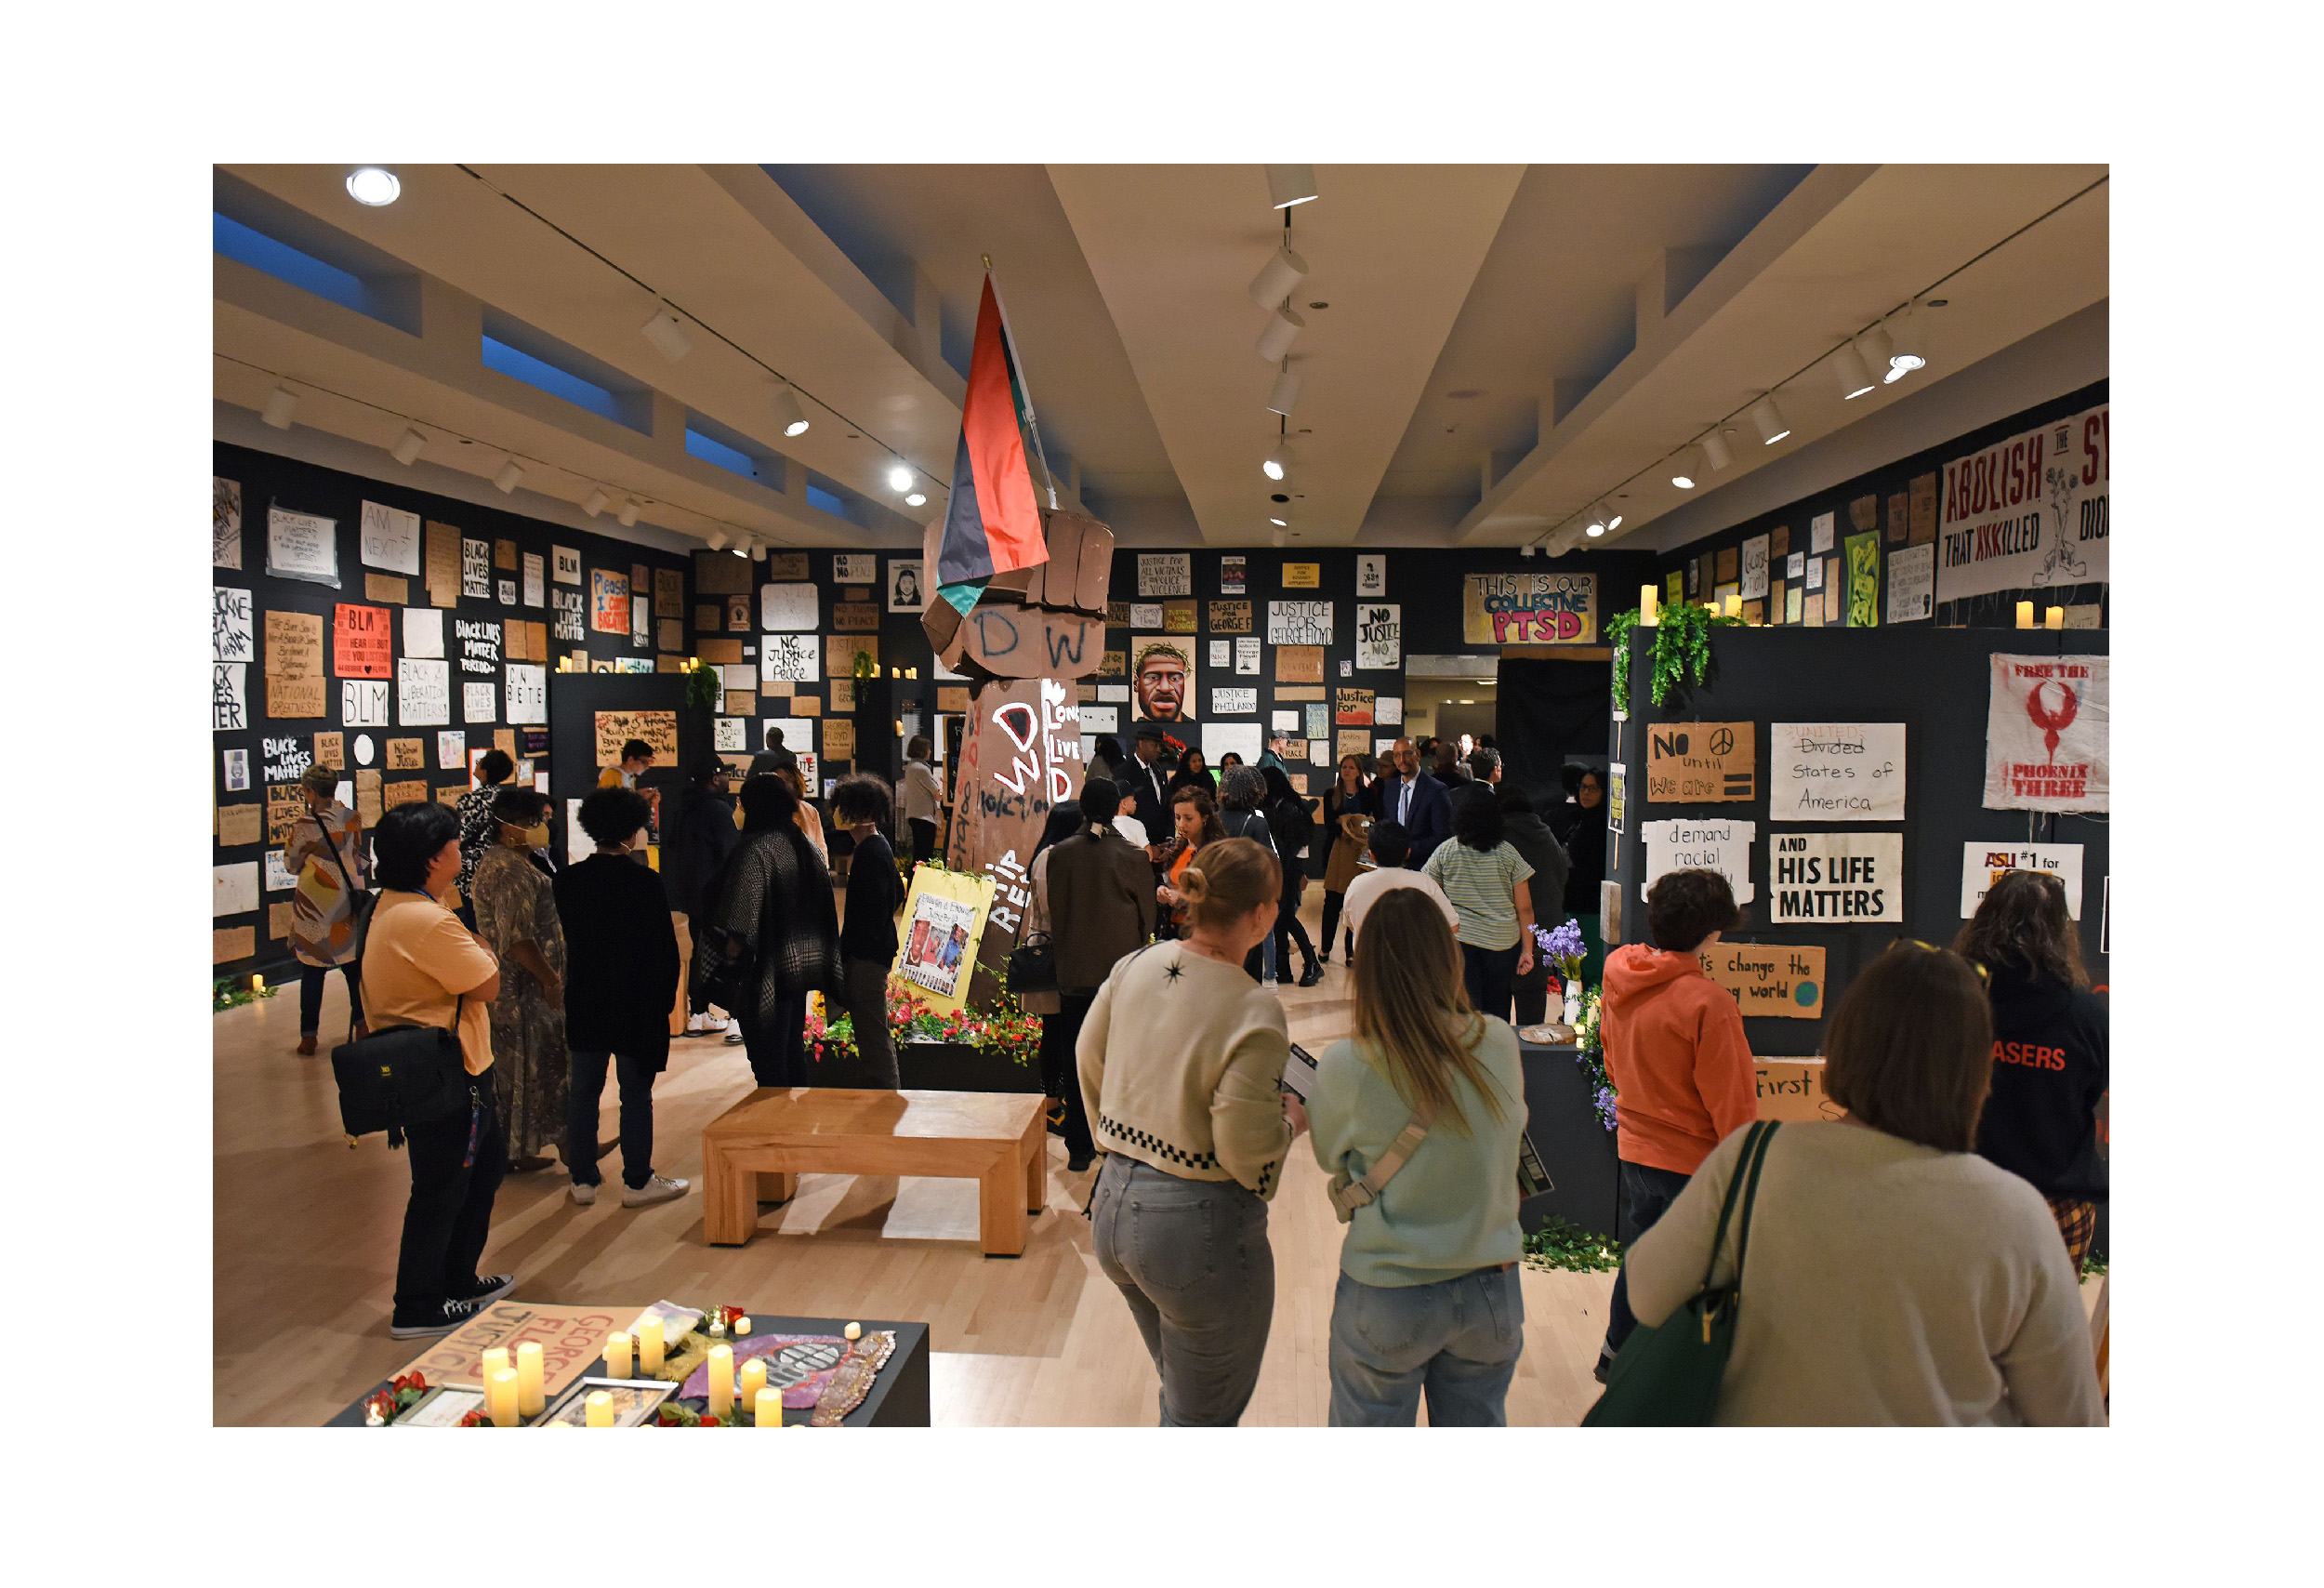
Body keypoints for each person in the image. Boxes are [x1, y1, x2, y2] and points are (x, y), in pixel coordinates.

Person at [1620, 943, 2105, 1424]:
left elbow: (1646, 1292)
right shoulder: (2017, 1214)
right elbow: (2072, 1418)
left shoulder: (1754, 1159)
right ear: (1978, 1071)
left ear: (1846, 1041)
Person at [1080, 837, 1300, 1424]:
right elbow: (1243, 1149)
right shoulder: (1253, 1007)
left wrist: (1115, 1137)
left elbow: (1087, 1053)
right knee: (1200, 1418)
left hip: (1111, 1211)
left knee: (1184, 1396)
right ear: (1259, 916)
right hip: (1194, 1231)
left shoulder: (1135, 964)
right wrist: (1290, 1124)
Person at [1309, 888, 1525, 1425]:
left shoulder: (1347, 1063)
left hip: (1388, 1288)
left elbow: (1327, 1153)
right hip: (1490, 1288)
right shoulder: (1497, 1040)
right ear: (1448, 956)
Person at [1592, 867, 1756, 1380]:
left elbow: (1612, 1059)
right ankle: (1669, 1377)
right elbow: (1732, 1102)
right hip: (1695, 1161)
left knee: (1641, 1254)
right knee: (1693, 1274)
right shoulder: (1710, 1003)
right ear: (1712, 932)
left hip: (1635, 1146)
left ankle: (1616, 1355)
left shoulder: (1620, 974)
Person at [363, 801, 510, 1337]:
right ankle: (419, 1304)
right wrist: (481, 948)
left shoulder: (403, 905)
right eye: (452, 842)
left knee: (481, 1170)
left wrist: (477, 950)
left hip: (453, 1065)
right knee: (442, 1187)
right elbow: (489, 982)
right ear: (431, 858)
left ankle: (456, 1280)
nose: (459, 849)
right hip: (449, 1071)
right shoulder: (425, 919)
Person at [1956, 870, 2109, 1269]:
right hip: (2057, 1202)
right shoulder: (2088, 1015)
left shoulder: (1953, 1003)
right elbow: (2094, 1092)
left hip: (1968, 1194)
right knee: (2051, 1330)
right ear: (2061, 932)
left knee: (1967, 1325)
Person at [554, 787, 687, 1209]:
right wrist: (665, 1002)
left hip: (586, 996)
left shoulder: (569, 881)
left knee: (583, 1092)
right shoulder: (645, 882)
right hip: (636, 1002)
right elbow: (664, 949)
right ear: (634, 829)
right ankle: (637, 1180)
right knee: (635, 1093)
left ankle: (583, 1179)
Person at [1024, 775, 1155, 1170]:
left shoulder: (1059, 854)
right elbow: (1148, 918)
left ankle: (1079, 1147)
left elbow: (1053, 915)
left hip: (1073, 973)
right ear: (1118, 807)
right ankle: (1117, 1139)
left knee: (1075, 1056)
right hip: (1119, 976)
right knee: (1118, 1058)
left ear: (1082, 809)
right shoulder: (1133, 856)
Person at [695, 774, 841, 1088]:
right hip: (799, 967)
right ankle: (795, 1124)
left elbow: (739, 922)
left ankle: (775, 1129)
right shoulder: (807, 846)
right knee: (791, 1053)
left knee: (768, 1060)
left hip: (763, 973)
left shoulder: (756, 850)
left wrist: (727, 957)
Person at [470, 787, 568, 1171]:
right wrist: (550, 978)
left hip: (521, 989)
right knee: (528, 1069)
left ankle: (522, 1148)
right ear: (507, 828)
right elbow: (518, 939)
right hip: (522, 992)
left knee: (530, 1071)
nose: (541, 829)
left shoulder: (510, 863)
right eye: (533, 822)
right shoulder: (508, 869)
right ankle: (555, 1148)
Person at [1422, 789, 1538, 1022]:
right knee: (1498, 1009)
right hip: (1502, 943)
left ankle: (1467, 1055)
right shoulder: (1508, 853)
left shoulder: (1446, 851)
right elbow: (1524, 908)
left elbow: (1428, 894)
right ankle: (1496, 1053)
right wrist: (1528, 950)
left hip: (1459, 940)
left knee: (1465, 1009)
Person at [830, 773, 905, 1089]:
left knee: (874, 1038)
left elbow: (871, 914)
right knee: (872, 1033)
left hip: (866, 959)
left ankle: (887, 1102)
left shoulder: (870, 853)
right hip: (871, 955)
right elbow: (895, 897)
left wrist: (853, 955)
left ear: (858, 812)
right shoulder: (876, 847)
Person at [287, 763, 366, 1055]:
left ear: (309, 792)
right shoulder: (351, 818)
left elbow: (292, 864)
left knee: (312, 971)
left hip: (313, 904)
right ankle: (362, 1025)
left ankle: (309, 1038)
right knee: (351, 967)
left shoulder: (304, 825)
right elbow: (356, 855)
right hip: (344, 900)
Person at [663, 754, 739, 1038]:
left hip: (690, 895)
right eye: (724, 775)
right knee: (730, 953)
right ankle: (736, 1017)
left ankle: (698, 1013)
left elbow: (672, 845)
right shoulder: (719, 811)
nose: (728, 779)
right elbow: (731, 855)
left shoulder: (682, 808)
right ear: (714, 778)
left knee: (699, 952)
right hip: (718, 895)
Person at [1497, 786, 1569, 1025]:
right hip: (1546, 931)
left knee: (1498, 1014)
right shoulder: (1547, 836)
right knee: (1533, 1007)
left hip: (1510, 933)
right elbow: (1562, 875)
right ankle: (1531, 1058)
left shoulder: (1501, 840)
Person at [1340, 819, 1459, 950]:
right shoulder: (1424, 883)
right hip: (1414, 965)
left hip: (1369, 964)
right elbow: (1453, 925)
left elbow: (1351, 924)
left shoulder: (1357, 884)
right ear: (1408, 853)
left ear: (1371, 855)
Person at [1261, 765, 1323, 986]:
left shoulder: (1291, 809)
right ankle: (1284, 969)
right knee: (1279, 918)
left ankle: (1312, 962)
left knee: (1285, 917)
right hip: (1279, 869)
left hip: (1288, 871)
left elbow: (1293, 845)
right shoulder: (1272, 806)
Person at [1215, 766, 1276, 980]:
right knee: (1247, 972)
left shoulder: (1212, 820)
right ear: (1255, 790)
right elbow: (1267, 866)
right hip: (1246, 906)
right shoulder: (1256, 823)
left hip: (1214, 903)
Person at [1319, 754, 1373, 966]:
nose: (1347, 771)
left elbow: (1373, 820)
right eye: (1344, 767)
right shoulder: (1331, 794)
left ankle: (1350, 950)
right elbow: (1329, 825)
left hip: (1360, 852)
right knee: (1332, 902)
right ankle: (1325, 947)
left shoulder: (1368, 794)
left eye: (1351, 767)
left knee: (1355, 902)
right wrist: (1348, 823)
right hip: (1336, 851)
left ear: (1359, 772)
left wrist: (1356, 824)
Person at [1155, 786, 1228, 938]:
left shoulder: (1214, 853)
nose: (1181, 824)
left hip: (1201, 935)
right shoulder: (1177, 848)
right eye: (1177, 817)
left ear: (1204, 818)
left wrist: (1181, 899)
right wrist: (1162, 891)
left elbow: (1216, 898)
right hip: (1173, 932)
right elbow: (1168, 880)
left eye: (1188, 818)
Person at [1372, 737, 1452, 868]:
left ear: (1418, 755)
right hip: (1392, 868)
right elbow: (1387, 826)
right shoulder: (1390, 788)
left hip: (1424, 868)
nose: (1402, 760)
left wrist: (1406, 850)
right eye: (1397, 755)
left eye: (1407, 753)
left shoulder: (1436, 790)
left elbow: (1442, 836)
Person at [454, 748, 518, 911]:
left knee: (474, 920)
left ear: (484, 771)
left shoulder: (469, 801)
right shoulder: (508, 801)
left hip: (472, 869)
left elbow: (460, 834)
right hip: (502, 866)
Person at [1564, 765, 1610, 985]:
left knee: (1591, 967)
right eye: (1583, 787)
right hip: (1573, 900)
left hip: (1592, 904)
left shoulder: (1604, 825)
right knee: (1572, 966)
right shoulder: (1579, 818)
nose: (1586, 793)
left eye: (1593, 789)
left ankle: (1592, 1015)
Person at [897, 735, 944, 867]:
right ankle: (918, 883)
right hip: (925, 818)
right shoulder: (922, 769)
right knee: (925, 856)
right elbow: (937, 795)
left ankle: (912, 884)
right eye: (928, 749)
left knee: (918, 854)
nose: (930, 751)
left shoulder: (911, 767)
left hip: (914, 815)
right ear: (923, 750)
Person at [1124, 724, 1174, 840]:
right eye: (1154, 745)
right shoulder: (1124, 772)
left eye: (1160, 746)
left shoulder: (1160, 771)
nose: (1158, 749)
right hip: (1136, 844)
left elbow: (1166, 806)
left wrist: (1169, 836)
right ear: (1141, 744)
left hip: (1162, 844)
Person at [776, 761, 827, 866]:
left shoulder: (809, 810)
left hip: (808, 869)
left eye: (788, 779)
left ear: (796, 782)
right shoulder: (767, 810)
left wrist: (823, 869)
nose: (783, 784)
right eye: (779, 780)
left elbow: (820, 845)